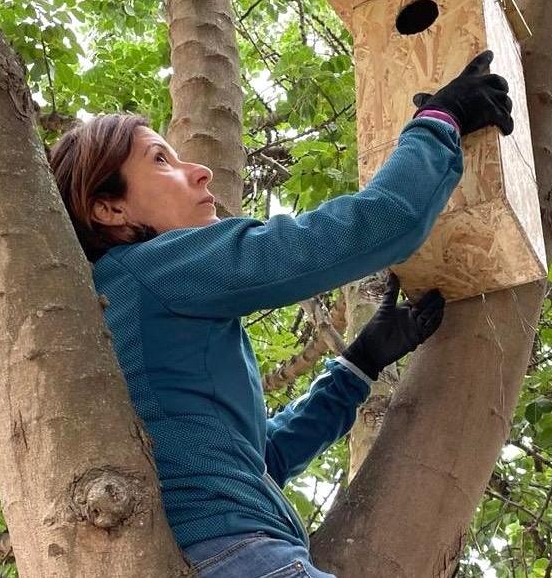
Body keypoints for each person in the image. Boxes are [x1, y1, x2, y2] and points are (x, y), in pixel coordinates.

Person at [48, 50, 513, 577]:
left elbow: (258, 461)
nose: (198, 172)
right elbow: (375, 226)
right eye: (161, 159)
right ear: (109, 209)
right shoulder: (153, 268)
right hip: (237, 557)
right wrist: (440, 121)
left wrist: (358, 365)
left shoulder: (137, 313)